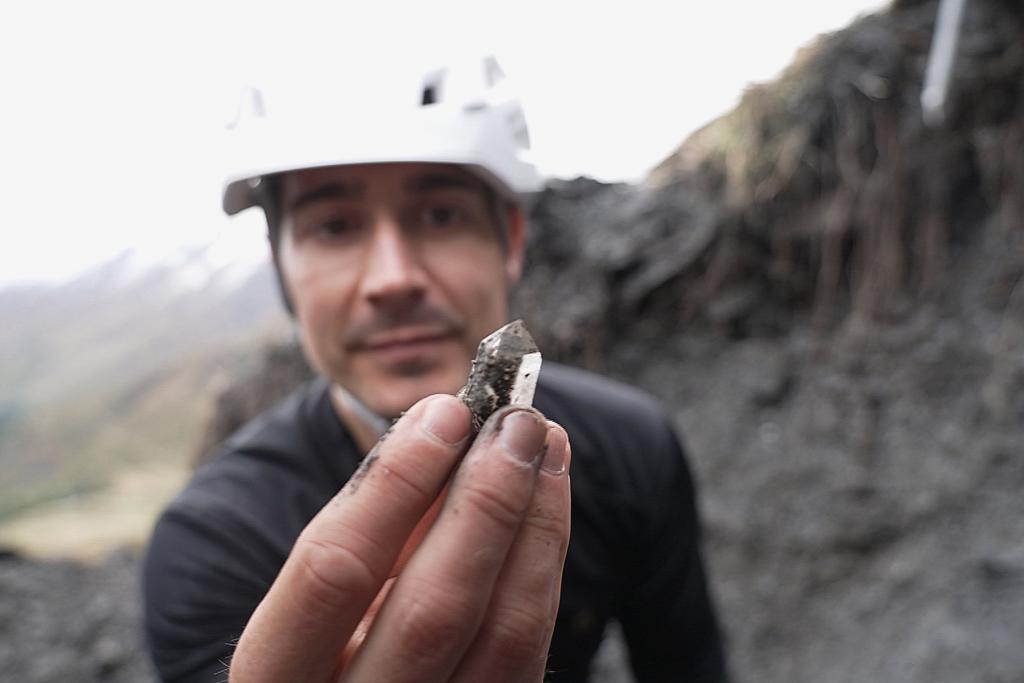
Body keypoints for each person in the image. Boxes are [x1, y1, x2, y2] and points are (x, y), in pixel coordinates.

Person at [143, 56, 728, 682]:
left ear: (511, 239)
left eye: (440, 215)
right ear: (281, 267)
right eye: (335, 226)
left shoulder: (631, 445)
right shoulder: (212, 544)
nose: (393, 279)